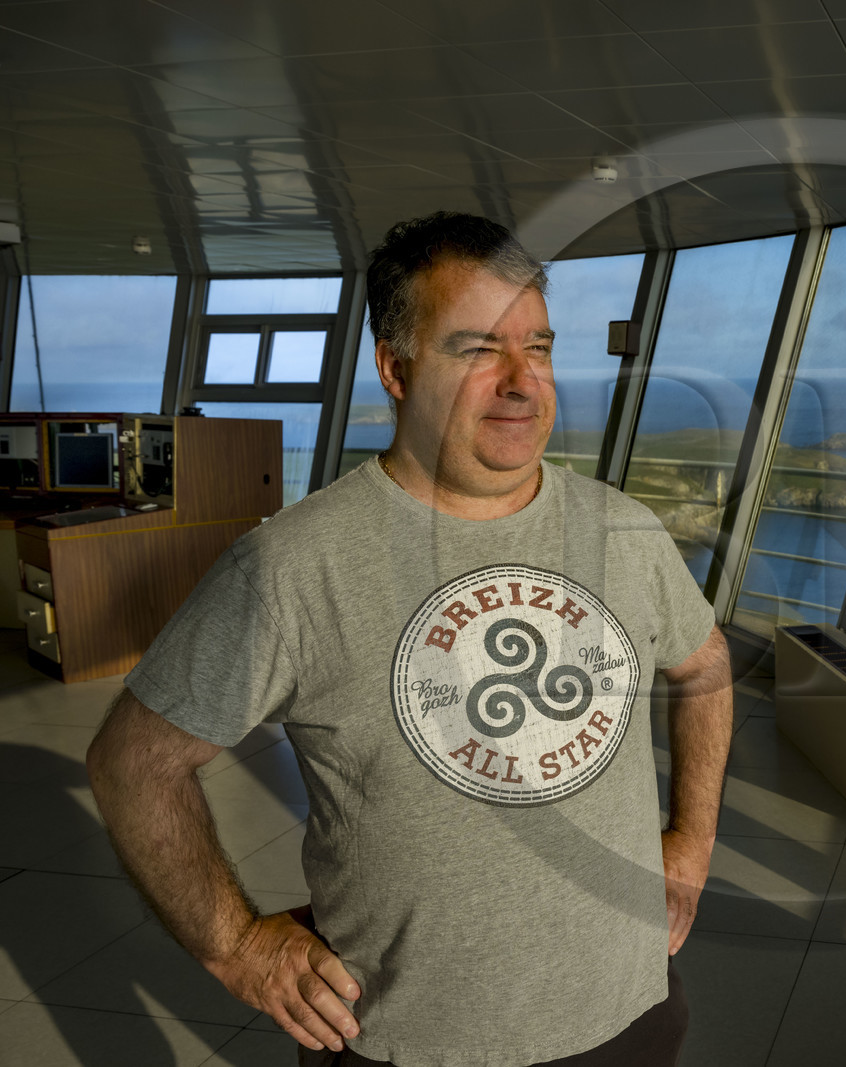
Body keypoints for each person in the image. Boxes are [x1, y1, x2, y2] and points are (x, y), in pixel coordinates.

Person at [85, 212, 734, 1067]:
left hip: (631, 1010)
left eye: (536, 346)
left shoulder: (624, 528)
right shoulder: (290, 566)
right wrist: (238, 946)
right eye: (476, 349)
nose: (520, 381)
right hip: (417, 1041)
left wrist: (690, 842)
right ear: (395, 368)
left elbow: (704, 663)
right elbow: (133, 764)